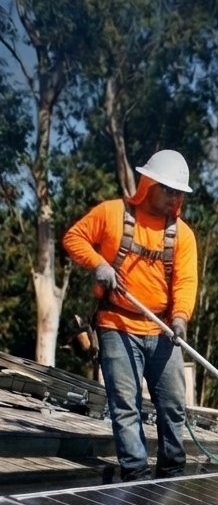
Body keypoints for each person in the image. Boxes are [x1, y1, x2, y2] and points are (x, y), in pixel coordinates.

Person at [63, 150, 198, 481]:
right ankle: (137, 478)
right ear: (148, 184)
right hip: (117, 325)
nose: (174, 197)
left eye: (179, 192)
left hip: (163, 330)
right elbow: (73, 238)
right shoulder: (111, 214)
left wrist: (180, 318)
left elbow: (185, 281)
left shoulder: (182, 235)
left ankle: (171, 474)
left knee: (172, 407)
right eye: (168, 189)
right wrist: (99, 264)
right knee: (126, 405)